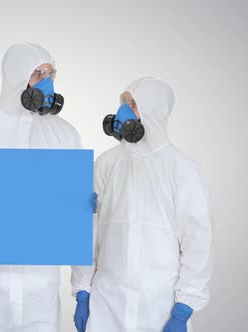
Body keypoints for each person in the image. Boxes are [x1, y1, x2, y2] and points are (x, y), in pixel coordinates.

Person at [0, 42, 86, 332]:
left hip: (41, 288)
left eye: (51, 73)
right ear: (15, 75)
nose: (47, 82)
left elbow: (73, 215)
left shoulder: (64, 135)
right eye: (38, 73)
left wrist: (79, 206)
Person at [71, 77, 213, 332]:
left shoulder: (183, 169)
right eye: (123, 102)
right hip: (107, 302)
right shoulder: (106, 164)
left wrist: (184, 307)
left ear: (155, 111)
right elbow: (88, 233)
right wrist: (82, 290)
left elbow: (197, 242)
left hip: (159, 305)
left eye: (133, 103)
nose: (124, 111)